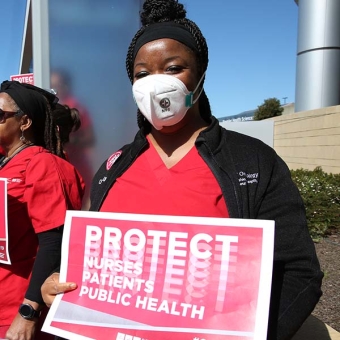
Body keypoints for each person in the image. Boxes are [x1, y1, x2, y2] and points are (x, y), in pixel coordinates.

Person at [41, 1, 323, 339]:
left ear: (201, 75)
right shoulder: (113, 167)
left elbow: (299, 273)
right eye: (142, 74)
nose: (156, 84)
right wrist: (58, 282)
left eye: (173, 68)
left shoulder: (252, 162)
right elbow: (93, 262)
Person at [0, 80, 85, 340]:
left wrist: (28, 312)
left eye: (0, 115)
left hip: (18, 309)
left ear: (24, 122)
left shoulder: (42, 164)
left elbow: (54, 242)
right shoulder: (6, 162)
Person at [50, 70, 95, 209]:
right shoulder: (47, 106)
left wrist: (68, 140)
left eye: (57, 86)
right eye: (52, 86)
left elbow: (91, 138)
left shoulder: (76, 105)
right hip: (55, 169)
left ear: (66, 86)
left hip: (77, 169)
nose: (55, 90)